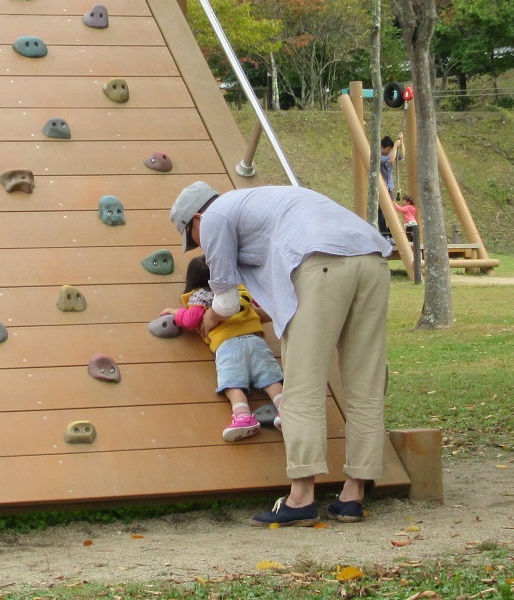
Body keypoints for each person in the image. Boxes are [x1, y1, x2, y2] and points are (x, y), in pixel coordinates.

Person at [170, 181, 393, 527]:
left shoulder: (214, 217)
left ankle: (301, 497)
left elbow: (227, 301)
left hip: (321, 264)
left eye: (192, 236)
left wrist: (208, 318)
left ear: (196, 218)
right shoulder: (261, 199)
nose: (198, 245)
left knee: (303, 384)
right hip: (373, 261)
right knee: (365, 382)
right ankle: (353, 495)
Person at [163, 256, 285, 442]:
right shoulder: (237, 288)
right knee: (271, 379)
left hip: (228, 347)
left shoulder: (200, 296)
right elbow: (257, 305)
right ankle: (286, 412)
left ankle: (244, 418)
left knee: (233, 385)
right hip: (255, 340)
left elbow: (191, 320)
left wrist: (176, 313)